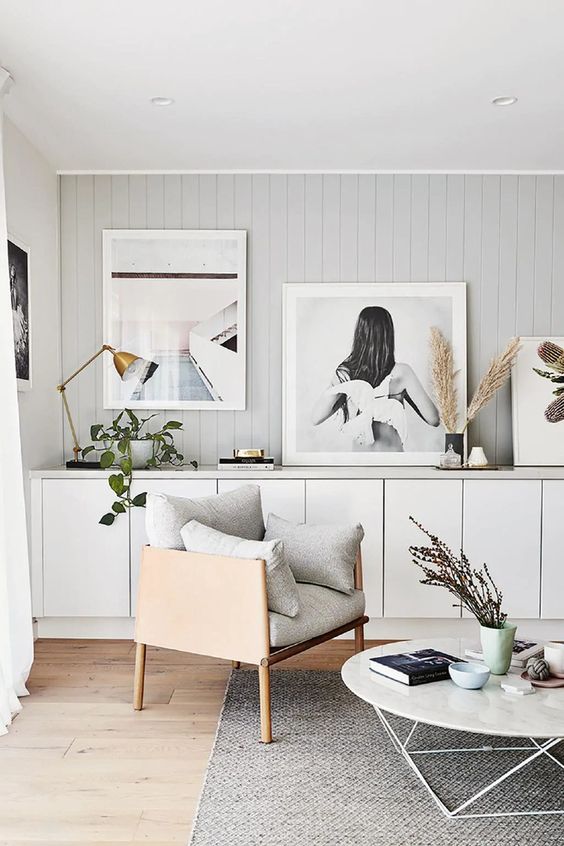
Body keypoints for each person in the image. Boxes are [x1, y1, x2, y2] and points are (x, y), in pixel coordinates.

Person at [311, 306, 439, 451]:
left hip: (360, 464)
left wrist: (339, 384)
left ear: (359, 335)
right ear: (388, 335)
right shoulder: (402, 372)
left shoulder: (346, 373)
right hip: (393, 462)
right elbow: (433, 419)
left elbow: (316, 418)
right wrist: (403, 394)